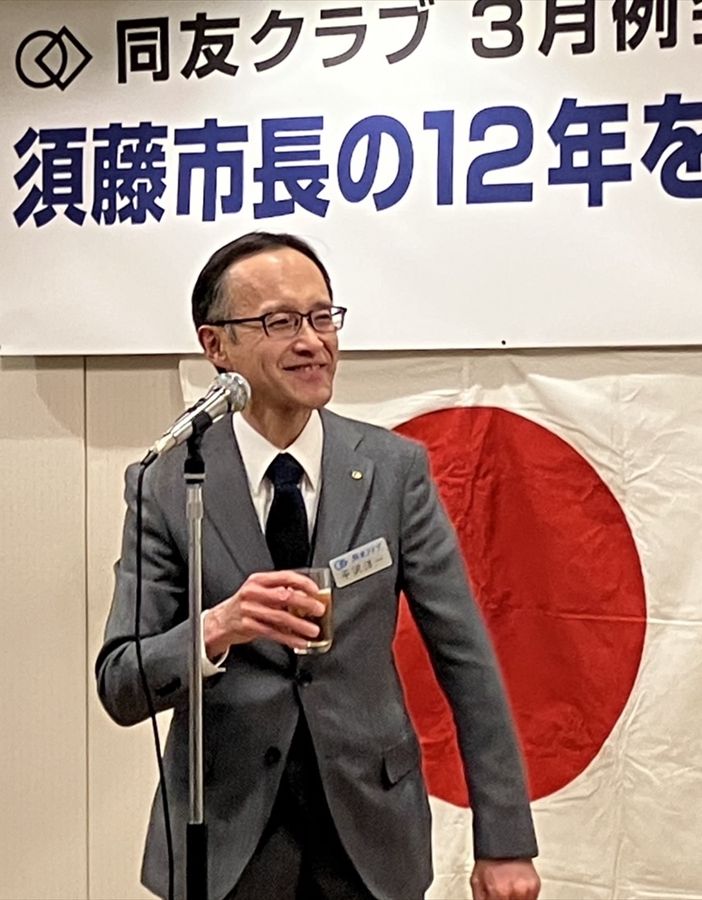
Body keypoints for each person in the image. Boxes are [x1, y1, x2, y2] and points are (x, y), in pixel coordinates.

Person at [96, 232, 541, 900]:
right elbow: (121, 683)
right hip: (225, 839)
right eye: (280, 322)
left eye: (322, 316)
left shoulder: (393, 471)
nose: (312, 341)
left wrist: (504, 839)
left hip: (371, 835)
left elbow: (466, 658)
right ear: (216, 346)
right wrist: (217, 627)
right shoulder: (168, 484)